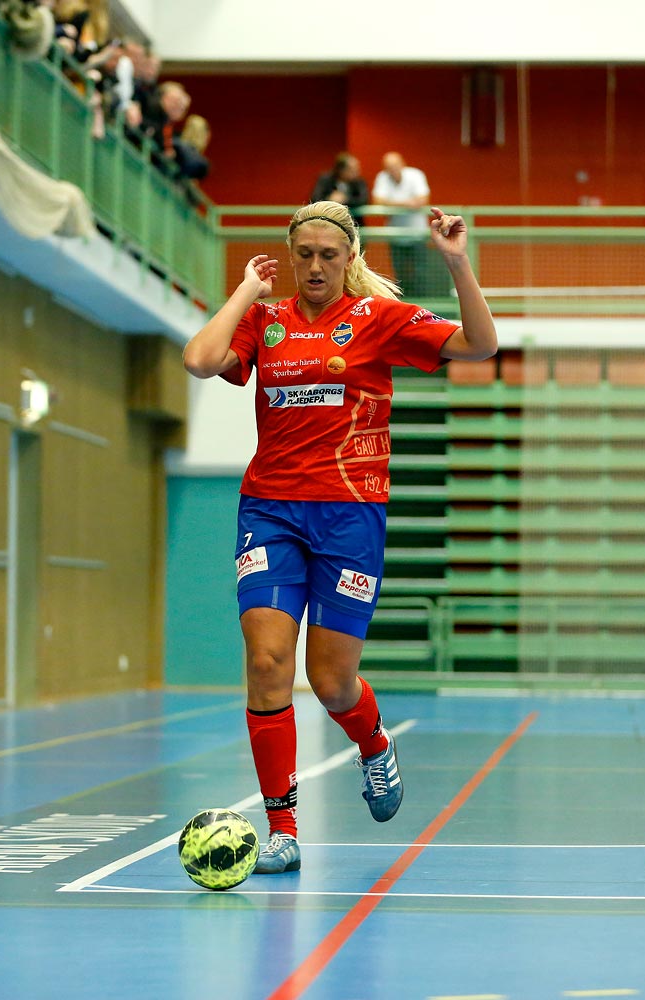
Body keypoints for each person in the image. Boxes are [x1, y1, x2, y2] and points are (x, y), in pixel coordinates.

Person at [182, 200, 496, 872]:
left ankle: (373, 743)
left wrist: (456, 262)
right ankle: (284, 830)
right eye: (305, 255)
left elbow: (480, 345)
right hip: (270, 510)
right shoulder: (265, 322)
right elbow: (200, 359)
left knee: (330, 682)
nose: (317, 266)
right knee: (267, 664)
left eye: (330, 254)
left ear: (351, 258)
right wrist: (246, 290)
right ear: (289, 258)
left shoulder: (380, 321)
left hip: (351, 516)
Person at [372, 151, 443, 298]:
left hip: (417, 234)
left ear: (402, 164)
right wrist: (407, 203)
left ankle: (423, 306)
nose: (393, 170)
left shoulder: (416, 175)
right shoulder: (382, 178)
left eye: (395, 166)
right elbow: (377, 201)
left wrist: (391, 205)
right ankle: (404, 308)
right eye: (389, 167)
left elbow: (422, 200)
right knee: (400, 275)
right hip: (395, 235)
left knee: (420, 273)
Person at [309, 153, 369, 226]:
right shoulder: (325, 179)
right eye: (353, 170)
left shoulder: (359, 182)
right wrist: (329, 200)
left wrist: (345, 200)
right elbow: (315, 198)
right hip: (327, 223)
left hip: (354, 224)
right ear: (342, 170)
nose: (357, 172)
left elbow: (363, 200)